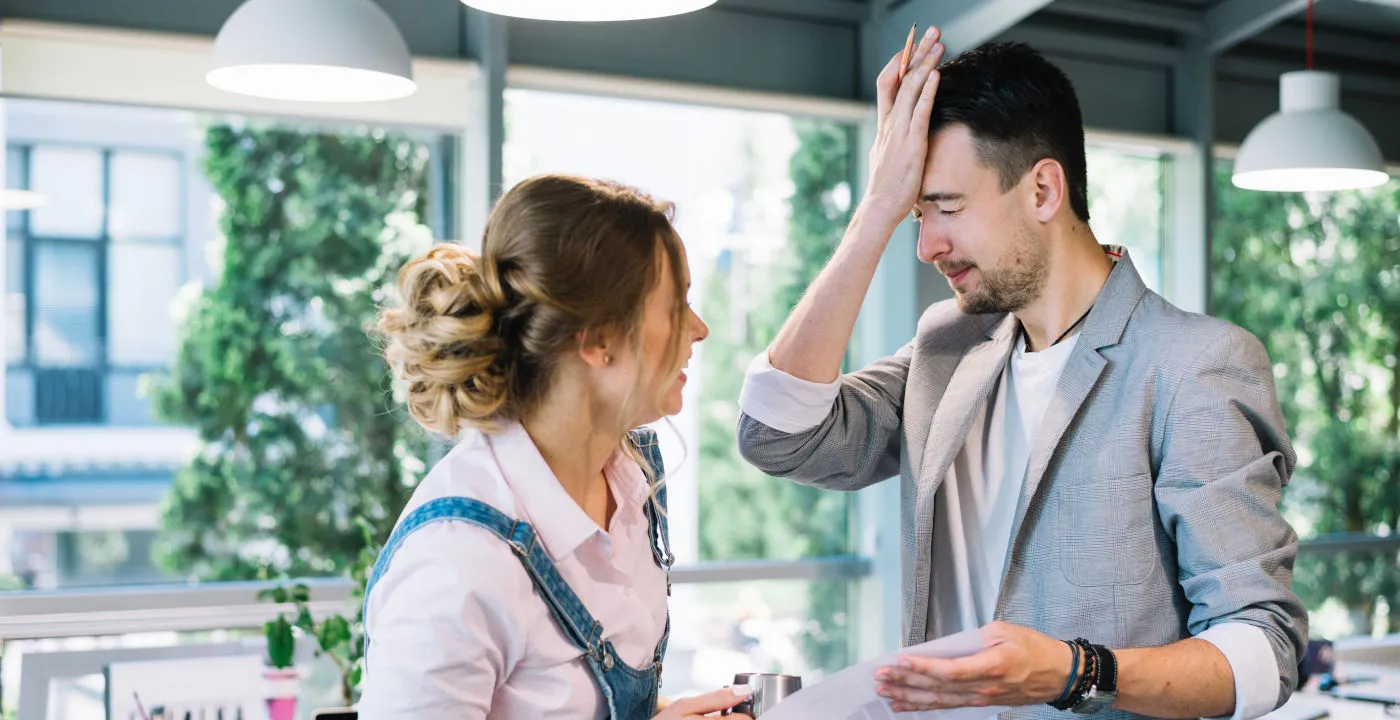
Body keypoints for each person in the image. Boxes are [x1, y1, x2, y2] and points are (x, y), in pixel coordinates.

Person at [735, 29, 1307, 720]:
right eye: (915, 213)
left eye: (947, 207)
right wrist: (875, 209)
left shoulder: (1191, 365)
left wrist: (1073, 671)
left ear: (1042, 189)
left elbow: (1262, 650)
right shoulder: (946, 349)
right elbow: (778, 435)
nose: (926, 245)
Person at [359, 174, 752, 719]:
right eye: (676, 306)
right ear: (598, 339)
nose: (699, 329)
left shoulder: (632, 481)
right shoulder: (456, 562)